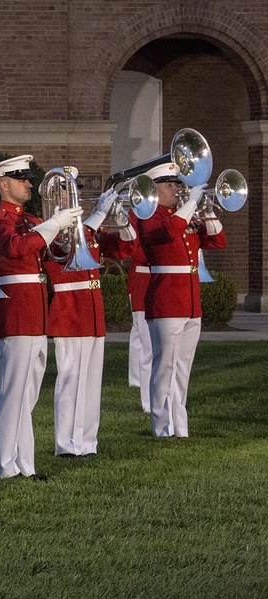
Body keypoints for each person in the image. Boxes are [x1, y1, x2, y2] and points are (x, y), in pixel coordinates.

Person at [0, 155, 81, 479]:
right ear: (4, 184)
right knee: (13, 392)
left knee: (27, 394)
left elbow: (50, 256)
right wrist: (53, 224)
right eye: (21, 178)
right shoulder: (0, 220)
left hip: (35, 312)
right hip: (16, 312)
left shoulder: (28, 220)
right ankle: (3, 465)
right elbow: (14, 248)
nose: (29, 183)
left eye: (28, 178)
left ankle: (23, 464)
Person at [43, 174, 135, 457]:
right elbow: (65, 251)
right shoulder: (51, 229)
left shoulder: (87, 230)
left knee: (91, 383)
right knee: (71, 380)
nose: (75, 197)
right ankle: (66, 445)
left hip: (92, 311)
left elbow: (125, 248)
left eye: (76, 191)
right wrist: (97, 215)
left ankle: (86, 442)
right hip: (69, 310)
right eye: (67, 192)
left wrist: (122, 219)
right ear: (52, 198)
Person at [137, 163, 226, 437]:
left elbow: (218, 240)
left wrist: (207, 209)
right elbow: (169, 231)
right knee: (165, 367)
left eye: (177, 184)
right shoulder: (149, 217)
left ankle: (180, 426)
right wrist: (191, 206)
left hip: (189, 301)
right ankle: (162, 427)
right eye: (170, 185)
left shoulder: (183, 217)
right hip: (166, 301)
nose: (177, 189)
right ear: (155, 190)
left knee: (182, 369)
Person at [126, 214, 153, 413]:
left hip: (159, 279)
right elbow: (138, 252)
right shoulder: (138, 216)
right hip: (143, 280)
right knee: (146, 342)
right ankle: (147, 400)